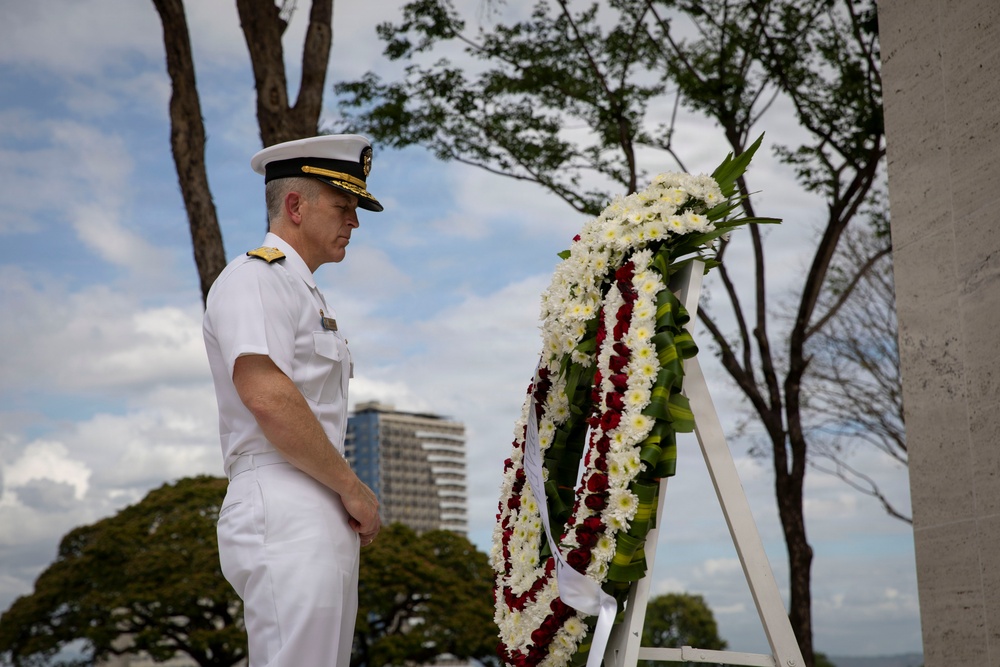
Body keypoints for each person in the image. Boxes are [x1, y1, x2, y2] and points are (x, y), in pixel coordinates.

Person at [202, 134, 383, 667]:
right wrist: (353, 488)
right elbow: (267, 396)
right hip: (285, 494)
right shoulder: (257, 277)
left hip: (309, 495)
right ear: (295, 205)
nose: (354, 221)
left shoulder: (297, 289)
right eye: (343, 206)